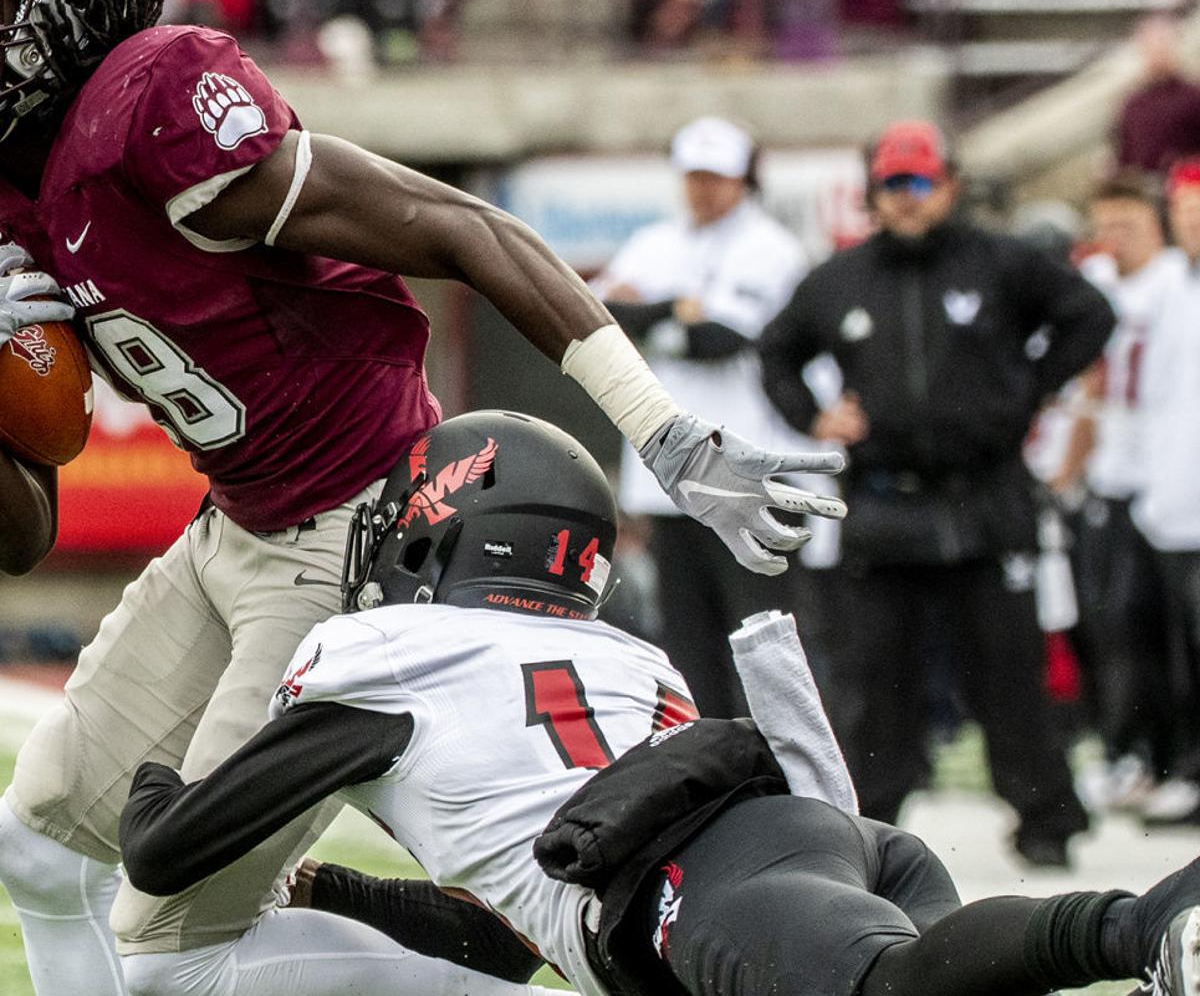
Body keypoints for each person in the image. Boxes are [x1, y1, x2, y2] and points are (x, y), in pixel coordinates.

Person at [0, 0, 846, 996]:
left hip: (360, 522)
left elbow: (461, 226)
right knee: (38, 846)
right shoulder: (17, 184)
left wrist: (665, 430)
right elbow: (22, 532)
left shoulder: (154, 102)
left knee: (170, 958)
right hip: (235, 526)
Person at [118, 409, 1200, 996]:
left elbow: (166, 852)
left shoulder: (386, 652)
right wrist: (331, 886)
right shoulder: (624, 655)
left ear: (450, 521)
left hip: (705, 882)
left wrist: (152, 754)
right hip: (818, 848)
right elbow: (511, 940)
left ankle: (1145, 924)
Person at [759, 120, 1114, 866]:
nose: (909, 198)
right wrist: (813, 415)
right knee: (876, 683)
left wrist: (1031, 389)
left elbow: (1091, 314)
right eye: (895, 184)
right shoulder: (840, 279)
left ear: (948, 185)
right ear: (874, 194)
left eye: (921, 182)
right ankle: (863, 828)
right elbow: (778, 351)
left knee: (1010, 673)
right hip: (886, 506)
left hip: (985, 499)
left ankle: (1047, 825)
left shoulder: (1002, 262)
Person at [591, 116, 831, 715]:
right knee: (689, 643)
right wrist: (677, 311)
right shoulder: (655, 241)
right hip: (667, 477)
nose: (703, 188)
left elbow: (723, 338)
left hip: (748, 473)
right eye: (694, 175)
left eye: (716, 176)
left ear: (743, 179)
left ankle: (785, 765)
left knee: (764, 636)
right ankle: (713, 765)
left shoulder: (771, 248)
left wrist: (654, 317)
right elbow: (598, 315)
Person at [1051, 176, 1182, 810]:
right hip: (1110, 469)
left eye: (1128, 223)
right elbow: (1087, 389)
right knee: (1106, 624)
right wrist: (1067, 470)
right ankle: (1126, 751)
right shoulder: (1096, 284)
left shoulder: (1175, 285)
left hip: (1164, 475)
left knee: (1152, 627)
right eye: (1106, 224)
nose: (1116, 238)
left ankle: (1162, 756)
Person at [1126, 157, 1200, 826]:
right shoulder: (1168, 286)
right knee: (1178, 649)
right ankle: (1183, 765)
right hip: (1174, 501)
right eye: (1185, 214)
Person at [1115, 15, 1200, 175]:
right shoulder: (1134, 104)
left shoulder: (1194, 97)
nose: (1158, 53)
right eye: (1152, 47)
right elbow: (1125, 154)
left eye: (1163, 45)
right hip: (1144, 187)